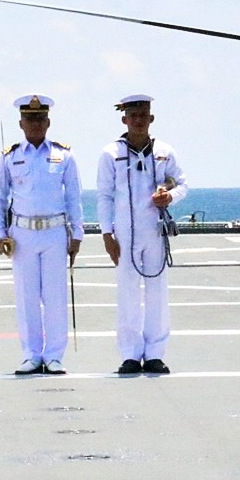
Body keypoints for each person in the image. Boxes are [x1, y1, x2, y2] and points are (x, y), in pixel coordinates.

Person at [0, 94, 83, 374]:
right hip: (22, 234)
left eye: (40, 119)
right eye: (30, 120)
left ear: (48, 122)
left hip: (55, 232)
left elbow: (74, 198)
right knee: (27, 297)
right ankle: (31, 354)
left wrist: (76, 234)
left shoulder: (63, 155)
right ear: (21, 123)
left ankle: (54, 355)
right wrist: (0, 233)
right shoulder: (10, 156)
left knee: (55, 296)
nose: (35, 124)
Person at [97, 95, 187, 375]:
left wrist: (169, 196)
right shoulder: (111, 153)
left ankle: (155, 354)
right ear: (124, 119)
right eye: (133, 115)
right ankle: (130, 354)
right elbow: (104, 196)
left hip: (154, 230)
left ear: (151, 118)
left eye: (143, 114)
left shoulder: (164, 151)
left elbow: (182, 184)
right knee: (127, 294)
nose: (138, 120)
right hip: (124, 232)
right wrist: (107, 234)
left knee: (157, 292)